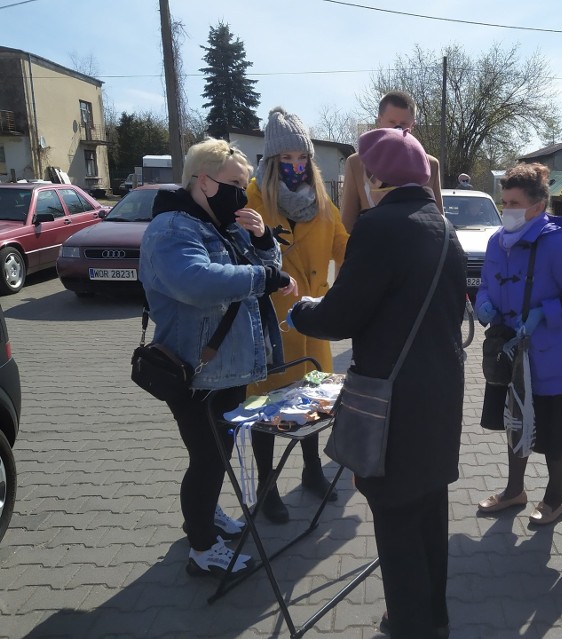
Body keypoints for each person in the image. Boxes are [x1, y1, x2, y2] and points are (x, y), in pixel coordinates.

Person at [289, 128, 466, 639]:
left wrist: (302, 312)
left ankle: (410, 626)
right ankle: (434, 617)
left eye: (361, 173)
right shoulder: (441, 224)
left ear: (375, 176)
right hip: (438, 392)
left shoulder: (380, 226)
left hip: (394, 399)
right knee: (429, 512)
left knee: (395, 520)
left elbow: (342, 315)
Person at [139, 138, 297, 576]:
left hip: (228, 366)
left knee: (219, 453)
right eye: (234, 184)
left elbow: (260, 265)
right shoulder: (174, 229)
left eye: (245, 185)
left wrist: (264, 239)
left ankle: (204, 516)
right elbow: (195, 281)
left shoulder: (216, 224)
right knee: (207, 459)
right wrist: (262, 275)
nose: (241, 195)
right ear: (204, 182)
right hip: (197, 369)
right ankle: (202, 549)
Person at [475, 162, 562, 525]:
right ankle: (515, 490)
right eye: (504, 202)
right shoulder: (496, 241)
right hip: (508, 355)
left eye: (513, 203)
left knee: (552, 431)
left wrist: (545, 314)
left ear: (537, 207)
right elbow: (486, 284)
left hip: (546, 358)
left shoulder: (554, 244)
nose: (506, 210)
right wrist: (484, 302)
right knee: (515, 421)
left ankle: (555, 497)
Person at [246, 108, 349, 523]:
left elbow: (347, 249)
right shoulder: (252, 200)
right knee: (266, 410)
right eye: (286, 159)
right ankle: (266, 489)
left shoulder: (323, 203)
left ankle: (310, 472)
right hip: (268, 323)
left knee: (311, 404)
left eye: (301, 158)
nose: (295, 166)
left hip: (313, 321)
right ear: (272, 161)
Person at [340, 91, 443, 232]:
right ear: (379, 121)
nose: (397, 129)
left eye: (403, 124)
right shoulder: (357, 163)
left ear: (413, 125)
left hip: (416, 248)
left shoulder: (430, 164)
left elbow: (437, 220)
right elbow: (347, 222)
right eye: (392, 123)